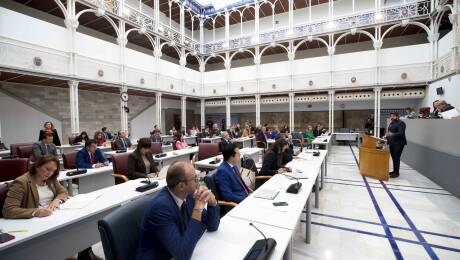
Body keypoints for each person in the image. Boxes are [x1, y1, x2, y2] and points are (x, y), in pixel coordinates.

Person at [136, 161, 220, 260]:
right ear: (181, 186)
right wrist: (197, 209)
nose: (198, 181)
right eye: (195, 179)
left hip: (178, 250)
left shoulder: (188, 195)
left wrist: (212, 203)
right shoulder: (160, 208)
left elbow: (211, 226)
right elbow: (182, 255)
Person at [384, 112, 407, 178]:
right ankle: (394, 171)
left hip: (398, 143)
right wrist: (386, 136)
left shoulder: (401, 123)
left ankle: (396, 173)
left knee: (396, 158)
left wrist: (392, 134)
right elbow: (390, 132)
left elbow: (401, 133)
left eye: (393, 116)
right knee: (394, 158)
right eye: (391, 116)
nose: (391, 117)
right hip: (392, 143)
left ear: (397, 116)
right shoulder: (392, 123)